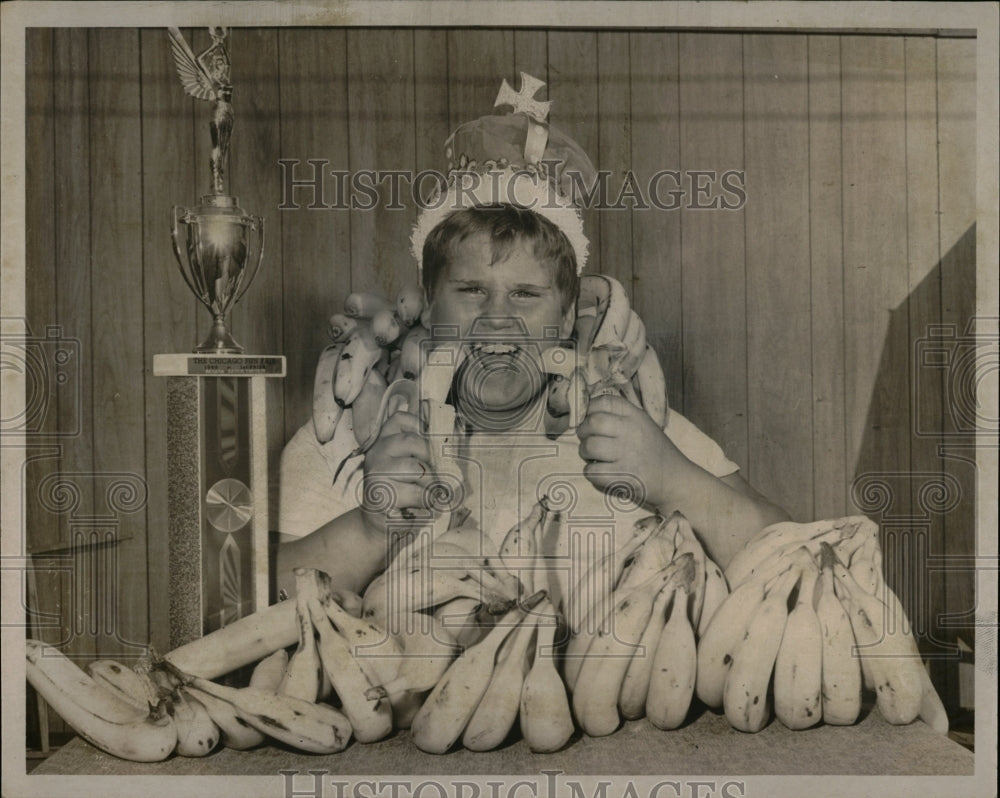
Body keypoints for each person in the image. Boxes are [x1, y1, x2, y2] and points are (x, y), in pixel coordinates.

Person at [275, 75, 789, 600]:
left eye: (525, 294)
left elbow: (792, 557)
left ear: (567, 319)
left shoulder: (634, 429)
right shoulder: (354, 434)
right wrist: (369, 528)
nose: (498, 317)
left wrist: (674, 479)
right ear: (430, 307)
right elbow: (245, 602)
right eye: (472, 289)